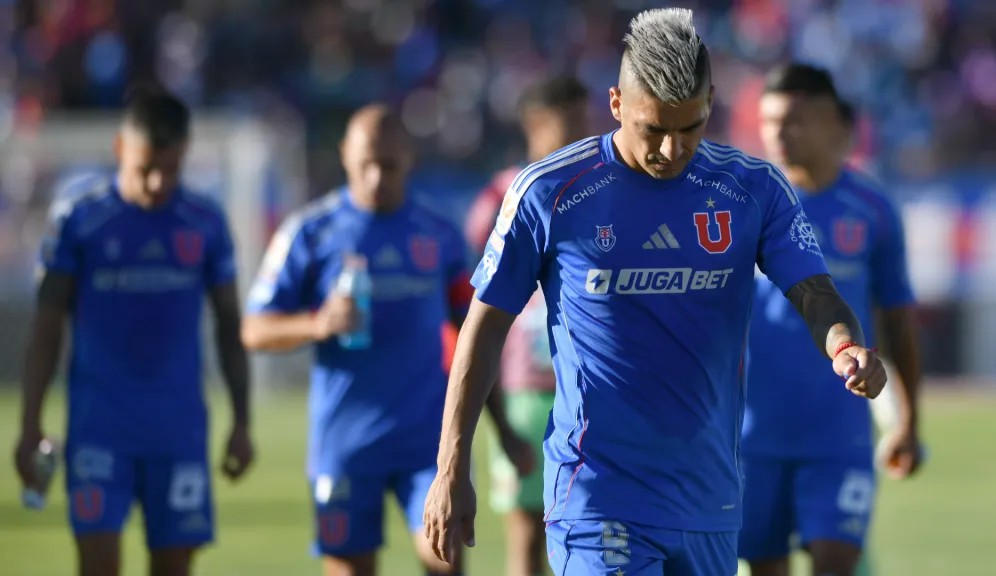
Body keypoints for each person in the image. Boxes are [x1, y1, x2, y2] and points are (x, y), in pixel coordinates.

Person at [423, 8, 888, 576]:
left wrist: (844, 345)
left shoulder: (753, 190)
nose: (671, 150)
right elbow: (484, 323)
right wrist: (452, 467)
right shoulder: (549, 192)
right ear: (617, 104)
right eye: (654, 130)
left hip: (709, 500)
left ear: (711, 103)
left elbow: (815, 292)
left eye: (688, 129)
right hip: (595, 496)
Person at [241, 104, 532, 576]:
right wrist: (317, 324)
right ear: (345, 157)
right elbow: (254, 329)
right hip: (346, 443)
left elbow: (472, 337)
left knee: (446, 560)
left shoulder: (437, 235)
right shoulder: (311, 233)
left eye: (389, 165)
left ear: (410, 159)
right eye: (365, 166)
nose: (376, 177)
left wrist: (502, 429)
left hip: (427, 443)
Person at [13, 87, 254, 576]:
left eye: (172, 168)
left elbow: (230, 327)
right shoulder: (79, 221)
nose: (159, 182)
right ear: (121, 149)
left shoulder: (205, 223)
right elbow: (46, 328)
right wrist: (29, 426)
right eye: (147, 168)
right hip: (99, 431)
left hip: (179, 431)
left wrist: (242, 421)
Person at [739, 63, 924, 576]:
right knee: (764, 568)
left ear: (835, 125)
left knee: (837, 563)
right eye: (770, 120)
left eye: (794, 120)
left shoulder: (872, 209)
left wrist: (908, 420)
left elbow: (898, 321)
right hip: (753, 434)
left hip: (839, 434)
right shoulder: (745, 204)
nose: (778, 133)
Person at [462, 75, 590, 576]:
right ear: (537, 124)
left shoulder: (595, 189)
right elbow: (473, 302)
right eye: (572, 122)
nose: (584, 132)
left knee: (586, 531)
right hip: (522, 388)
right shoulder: (499, 196)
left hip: (583, 387)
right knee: (527, 537)